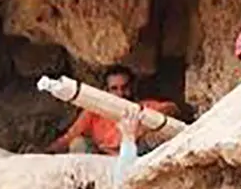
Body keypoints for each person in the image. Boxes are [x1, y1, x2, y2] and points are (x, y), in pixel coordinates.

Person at [46, 65, 180, 155]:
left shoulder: (143, 106)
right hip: (104, 160)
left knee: (157, 136)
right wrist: (45, 154)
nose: (120, 93)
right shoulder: (94, 110)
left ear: (132, 87)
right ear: (106, 90)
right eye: (114, 89)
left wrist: (140, 129)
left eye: (125, 87)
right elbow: (69, 137)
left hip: (136, 155)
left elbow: (172, 110)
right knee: (78, 144)